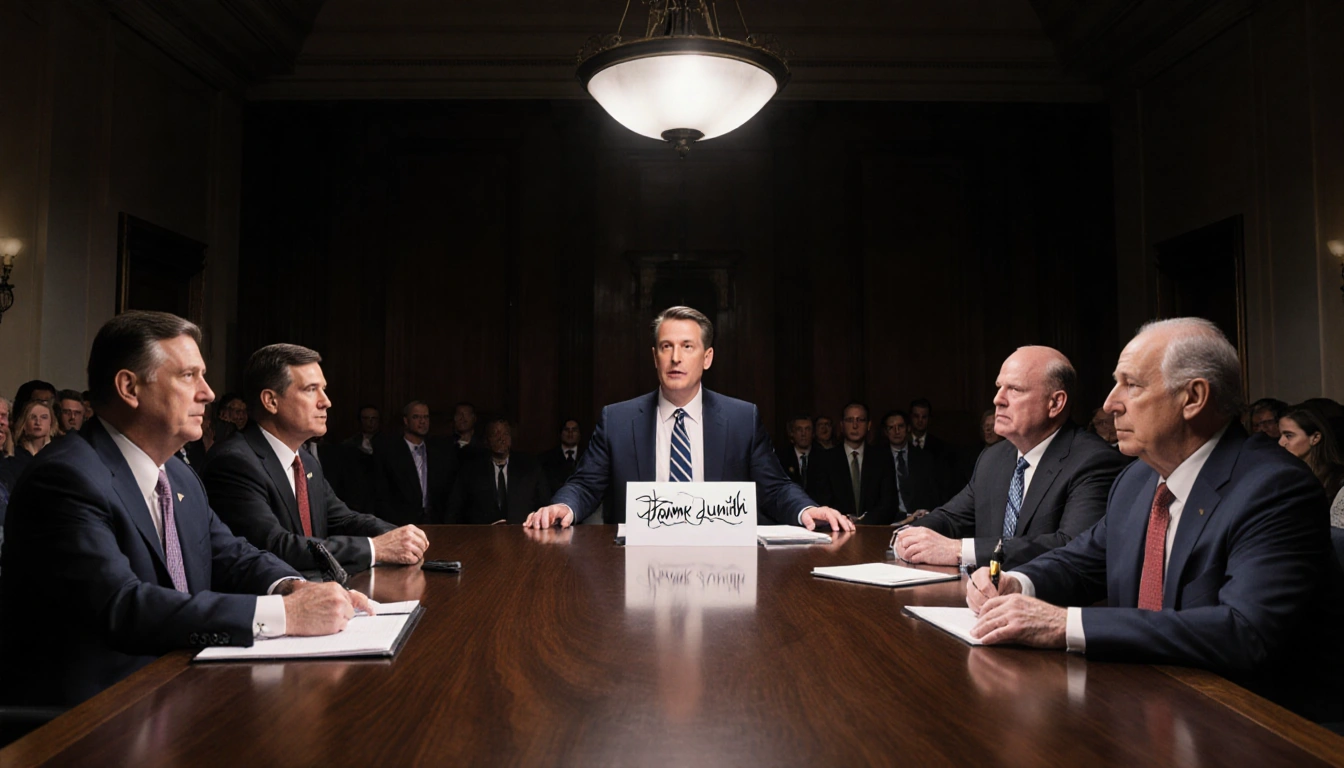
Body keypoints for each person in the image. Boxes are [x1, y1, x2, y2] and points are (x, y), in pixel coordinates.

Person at [965, 318, 1343, 722]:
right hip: (1140, 705)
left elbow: (1244, 631)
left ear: (1193, 397)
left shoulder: (1275, 487)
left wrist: (1064, 623)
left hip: (1249, 721)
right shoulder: (1137, 480)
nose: (1110, 403)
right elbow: (1082, 560)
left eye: (1131, 385)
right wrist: (1016, 581)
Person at [1, 311, 371, 708]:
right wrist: (285, 613)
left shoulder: (178, 474)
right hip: (93, 712)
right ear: (129, 387)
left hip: (181, 686)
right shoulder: (66, 477)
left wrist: (293, 587)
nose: (208, 393)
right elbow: (123, 607)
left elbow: (231, 554)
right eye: (189, 375)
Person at [526, 306, 853, 532]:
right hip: (636, 566)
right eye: (666, 347)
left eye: (687, 346)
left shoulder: (741, 419)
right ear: (655, 358)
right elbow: (585, 485)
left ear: (707, 357)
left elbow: (775, 488)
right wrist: (562, 507)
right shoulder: (618, 420)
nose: (676, 358)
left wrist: (807, 509)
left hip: (721, 569)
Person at [896, 346, 1128, 570]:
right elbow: (950, 518)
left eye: (1015, 389)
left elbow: (1071, 547)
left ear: (1055, 403)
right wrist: (907, 536)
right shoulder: (993, 457)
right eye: (999, 387)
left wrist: (959, 550)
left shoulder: (1094, 461)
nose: (998, 399)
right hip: (981, 592)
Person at [203, 344, 429, 574]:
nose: (326, 401)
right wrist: (375, 548)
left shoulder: (305, 460)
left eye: (323, 389)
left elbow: (343, 519)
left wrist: (398, 534)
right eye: (311, 389)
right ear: (271, 401)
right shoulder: (234, 462)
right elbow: (274, 546)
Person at [447, 418, 550, 524]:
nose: (501, 439)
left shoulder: (530, 468)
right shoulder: (471, 470)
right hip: (483, 532)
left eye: (506, 434)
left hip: (522, 530)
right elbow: (455, 508)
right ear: (486, 440)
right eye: (495, 434)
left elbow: (545, 505)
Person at [375, 400, 458, 525]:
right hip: (400, 523)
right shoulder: (390, 452)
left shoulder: (439, 452)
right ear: (406, 421)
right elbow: (382, 494)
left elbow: (447, 492)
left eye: (426, 417)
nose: (422, 421)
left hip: (434, 523)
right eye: (416, 417)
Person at [882, 409, 945, 515]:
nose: (896, 431)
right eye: (891, 427)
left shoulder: (924, 458)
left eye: (901, 426)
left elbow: (934, 494)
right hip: (888, 518)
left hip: (921, 517)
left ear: (908, 428)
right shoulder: (878, 458)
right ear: (885, 432)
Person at [1278, 405, 1344, 504]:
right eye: (1280, 435)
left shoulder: (1338, 481)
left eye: (1289, 436)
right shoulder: (1284, 475)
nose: (1280, 442)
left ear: (1315, 438)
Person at [775, 415, 830, 505]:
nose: (803, 434)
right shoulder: (781, 458)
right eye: (799, 429)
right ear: (792, 433)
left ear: (813, 433)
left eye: (807, 429)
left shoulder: (824, 457)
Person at [540, 418, 584, 495]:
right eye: (567, 430)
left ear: (579, 434)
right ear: (561, 433)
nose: (570, 433)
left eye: (574, 430)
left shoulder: (589, 456)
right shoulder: (546, 459)